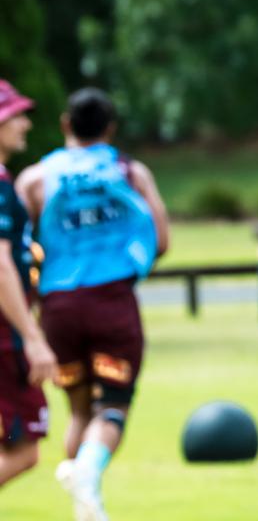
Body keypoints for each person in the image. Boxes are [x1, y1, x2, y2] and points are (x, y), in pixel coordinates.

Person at [16, 87, 169, 521]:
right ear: (111, 128)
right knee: (113, 406)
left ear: (66, 124)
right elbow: (161, 240)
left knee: (79, 408)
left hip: (58, 311)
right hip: (114, 304)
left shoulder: (35, 179)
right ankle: (87, 476)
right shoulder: (129, 172)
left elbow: (17, 248)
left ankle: (82, 505)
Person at [0, 79, 56, 488]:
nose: (24, 125)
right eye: (15, 116)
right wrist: (32, 336)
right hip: (4, 336)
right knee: (22, 451)